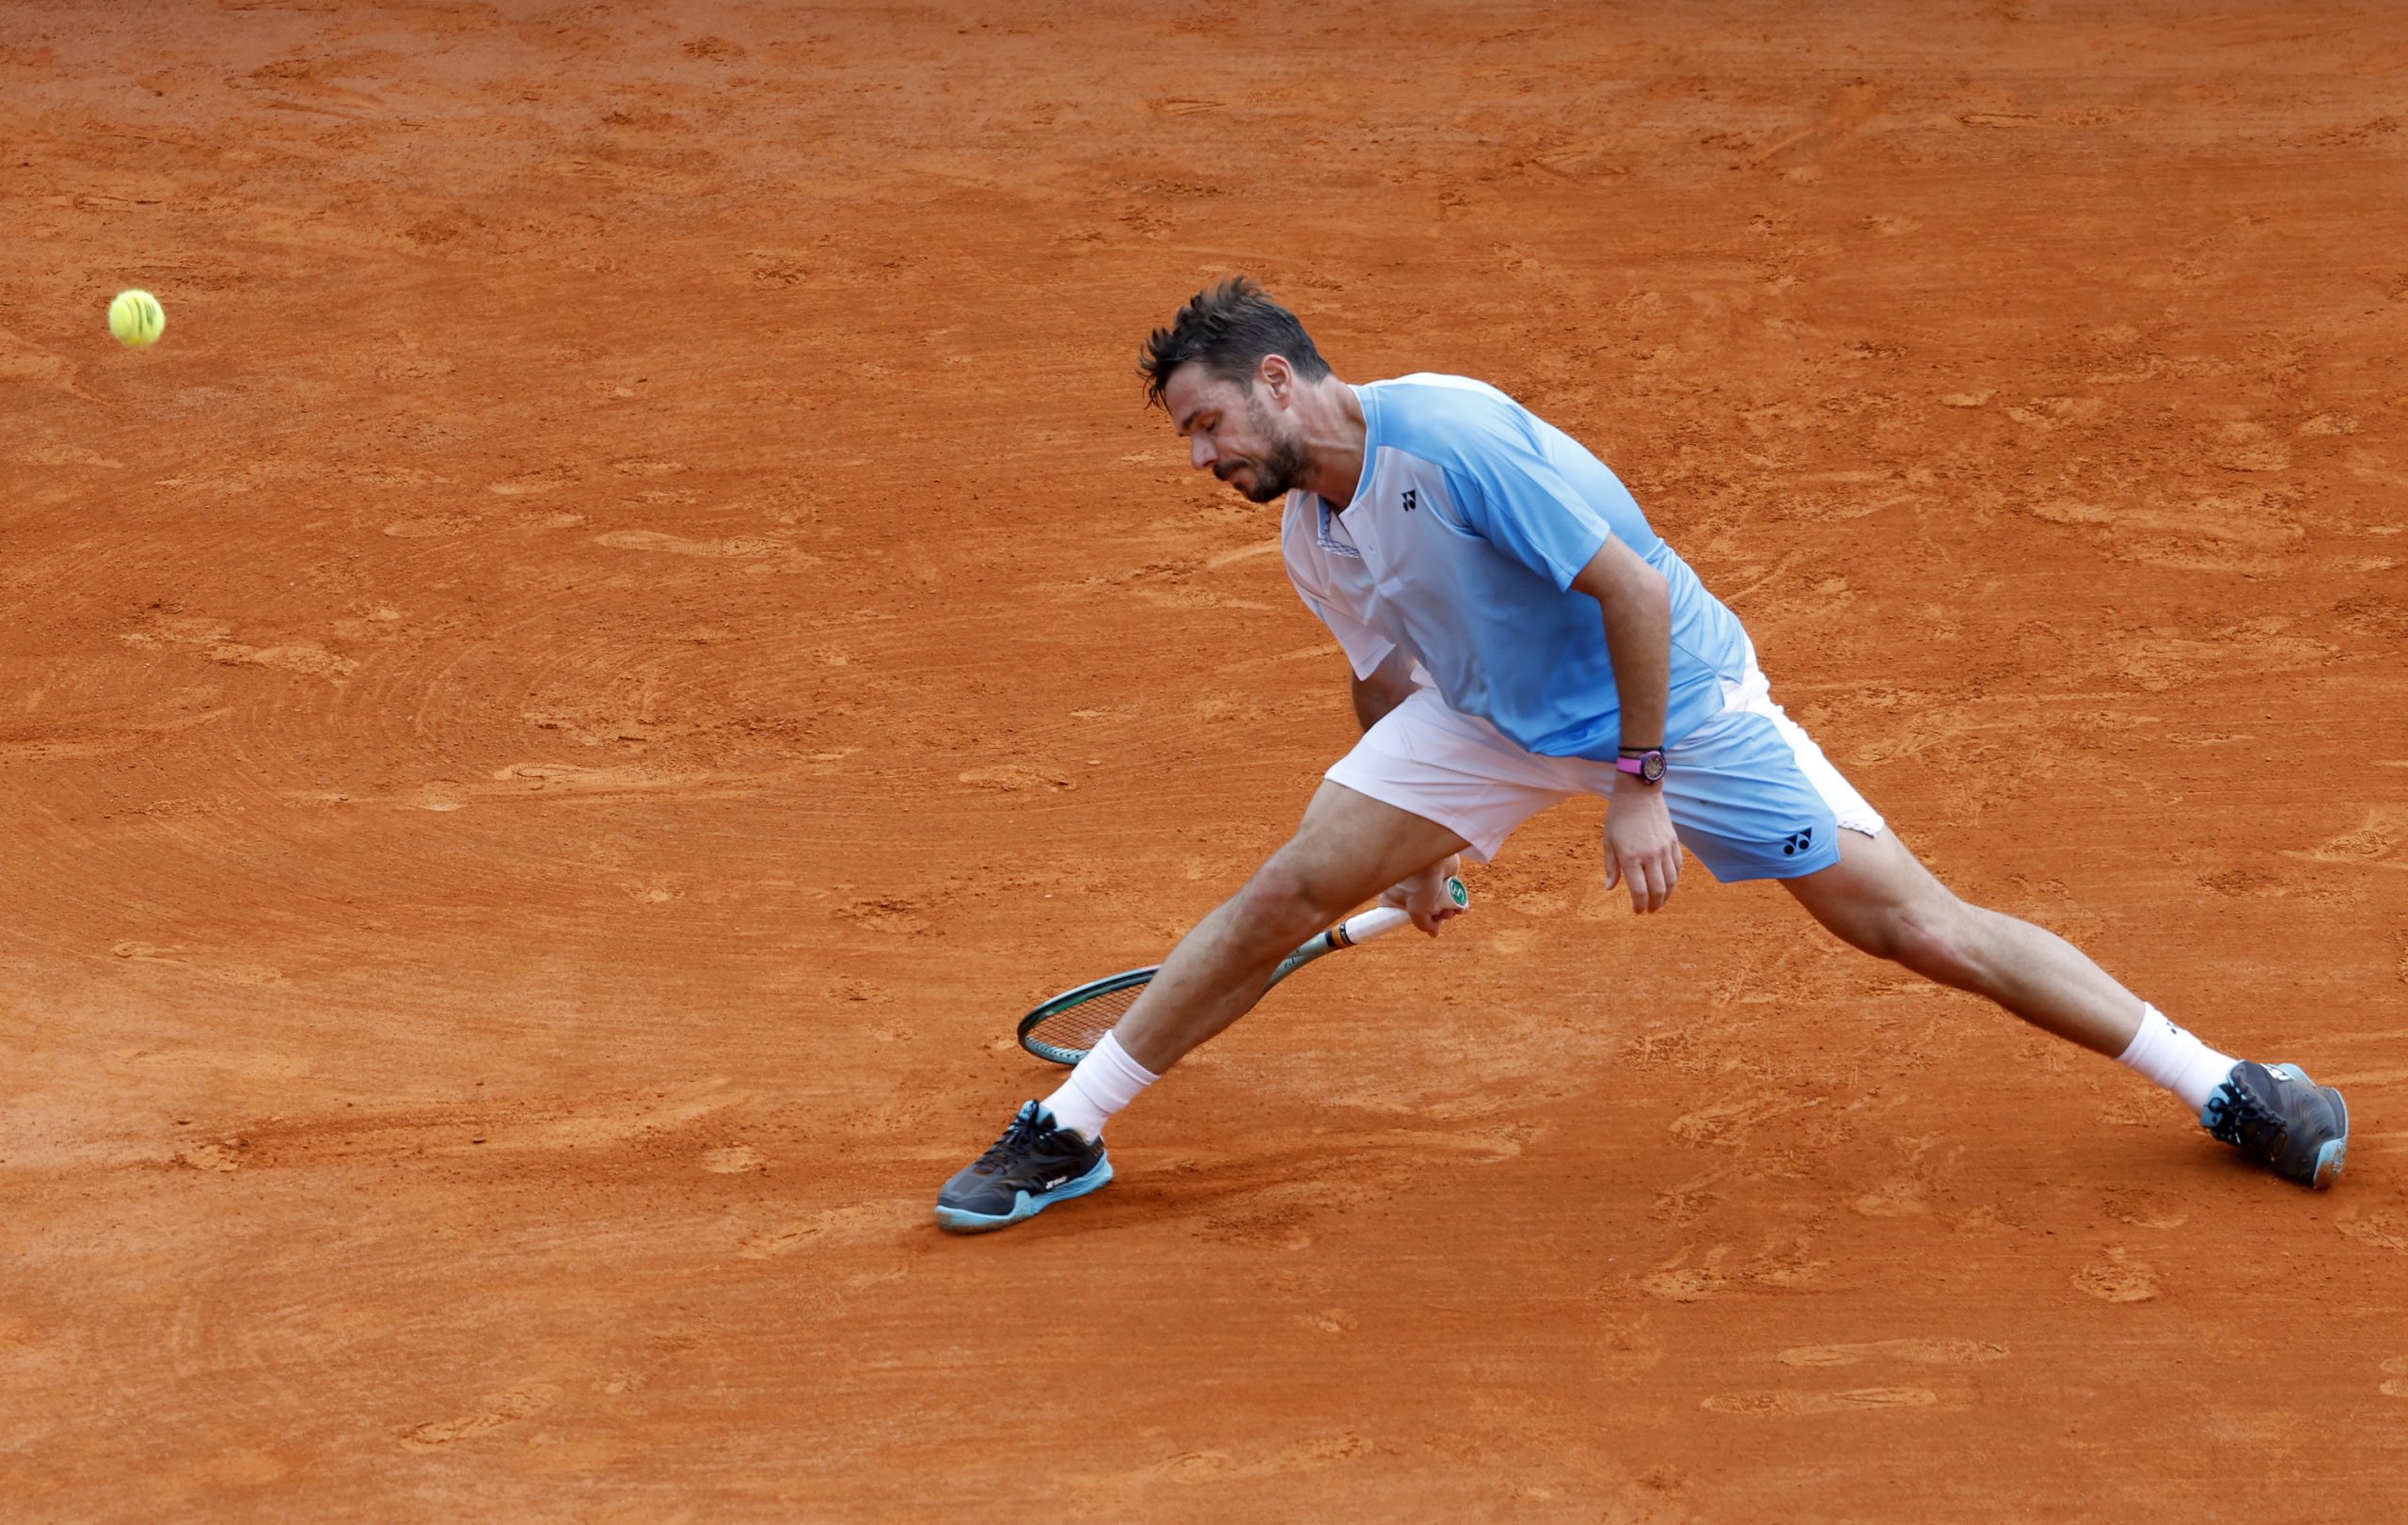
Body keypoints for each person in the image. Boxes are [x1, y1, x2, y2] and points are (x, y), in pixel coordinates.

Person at [934, 277, 2348, 1232]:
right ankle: (1070, 1124)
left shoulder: (1456, 437)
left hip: (1672, 703)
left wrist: (1640, 787)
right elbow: (1384, 676)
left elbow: (1634, 594)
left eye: (1205, 423)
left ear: (1280, 379)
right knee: (1281, 893)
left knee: (1919, 928)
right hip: (1489, 718)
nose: (1198, 458)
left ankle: (2228, 1083)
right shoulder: (1314, 527)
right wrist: (1421, 850)